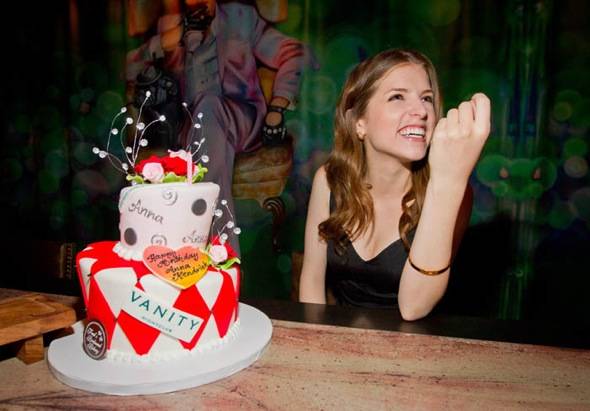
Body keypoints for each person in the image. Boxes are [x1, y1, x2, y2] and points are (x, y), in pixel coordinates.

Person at [298, 48, 490, 321]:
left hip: (415, 343)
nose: (421, 111)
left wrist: (449, 182)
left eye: (427, 98)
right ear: (359, 123)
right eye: (397, 97)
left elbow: (413, 308)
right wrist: (316, 342)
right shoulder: (330, 180)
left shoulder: (451, 192)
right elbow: (312, 281)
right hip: (340, 338)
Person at [126, 0, 312, 253]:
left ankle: (212, 247)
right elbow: (130, 65)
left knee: (209, 106)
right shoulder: (169, 27)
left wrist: (278, 105)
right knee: (205, 114)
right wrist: (172, 38)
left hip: (241, 118)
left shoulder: (240, 17)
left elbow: (294, 52)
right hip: (189, 128)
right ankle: (219, 251)